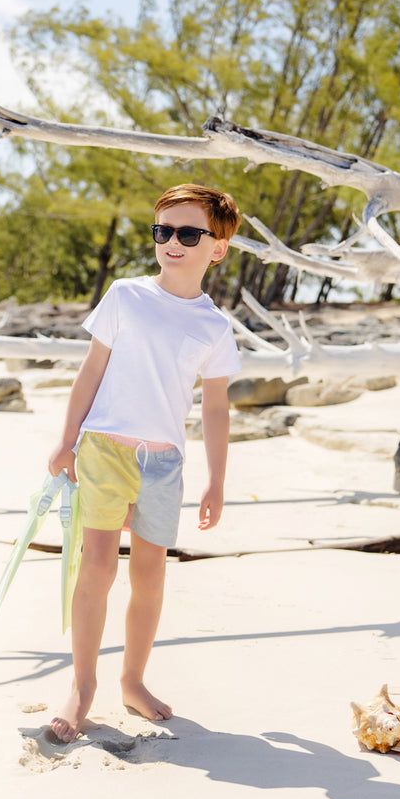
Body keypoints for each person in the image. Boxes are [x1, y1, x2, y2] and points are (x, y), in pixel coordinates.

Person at [47, 183, 241, 743]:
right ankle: (83, 686)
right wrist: (66, 439)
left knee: (150, 576)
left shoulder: (213, 326)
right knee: (99, 569)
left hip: (163, 463)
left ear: (218, 247)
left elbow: (215, 406)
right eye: (163, 232)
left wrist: (218, 481)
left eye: (187, 233)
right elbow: (91, 370)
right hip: (104, 448)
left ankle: (133, 680)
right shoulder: (126, 296)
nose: (172, 242)